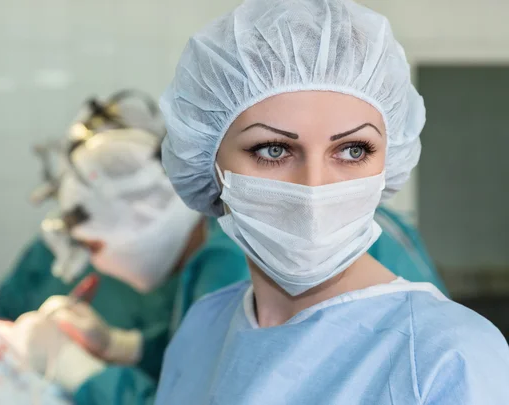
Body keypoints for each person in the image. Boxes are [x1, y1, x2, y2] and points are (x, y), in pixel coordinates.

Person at [153, 0, 509, 403]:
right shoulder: (204, 330)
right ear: (207, 160)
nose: (313, 190)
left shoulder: (448, 359)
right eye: (272, 150)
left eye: (353, 150)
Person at [17, 111, 250, 403]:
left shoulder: (231, 266)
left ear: (141, 220)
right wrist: (122, 346)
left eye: (94, 247)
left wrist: (79, 370)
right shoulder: (210, 249)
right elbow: (195, 354)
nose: (96, 263)